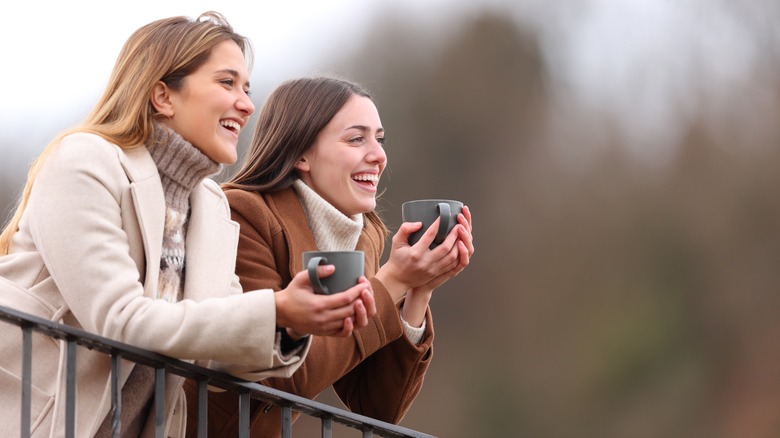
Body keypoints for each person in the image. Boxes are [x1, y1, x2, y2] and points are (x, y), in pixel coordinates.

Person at [0, 14, 375, 438]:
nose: (248, 103)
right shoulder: (85, 161)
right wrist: (276, 308)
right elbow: (120, 321)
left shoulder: (210, 205)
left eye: (247, 88)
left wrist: (289, 323)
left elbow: (220, 354)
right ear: (163, 95)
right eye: (227, 83)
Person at [184, 76, 474, 436]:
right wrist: (393, 280)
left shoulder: (365, 235)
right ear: (301, 153)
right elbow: (282, 375)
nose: (378, 155)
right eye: (356, 139)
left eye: (379, 140)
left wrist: (417, 291)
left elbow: (375, 406)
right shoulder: (242, 214)